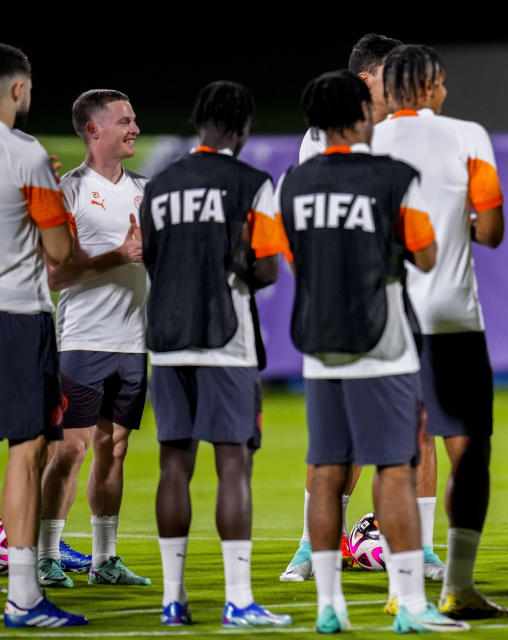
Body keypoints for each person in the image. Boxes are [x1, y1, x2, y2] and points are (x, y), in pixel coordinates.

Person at [277, 69, 468, 634]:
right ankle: (409, 604)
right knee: (394, 467)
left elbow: (289, 258)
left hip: (317, 341)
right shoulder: (393, 176)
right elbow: (427, 255)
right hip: (383, 342)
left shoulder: (291, 182)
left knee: (328, 468)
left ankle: (329, 606)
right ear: (362, 114)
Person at [373, 43, 508, 620]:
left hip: (385, 323)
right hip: (453, 317)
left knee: (394, 458)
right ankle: (457, 585)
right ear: (430, 85)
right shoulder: (466, 135)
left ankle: (400, 590)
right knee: (468, 453)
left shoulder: (367, 142)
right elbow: (492, 230)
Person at [142, 81, 291, 628]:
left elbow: (152, 259)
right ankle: (238, 598)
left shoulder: (159, 184)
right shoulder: (252, 183)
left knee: (173, 465)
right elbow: (269, 269)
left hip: (167, 338)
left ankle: (172, 600)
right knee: (234, 464)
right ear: (243, 127)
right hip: (227, 338)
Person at [37, 89, 151, 589]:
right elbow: (54, 276)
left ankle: (105, 559)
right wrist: (116, 258)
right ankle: (45, 554)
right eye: (125, 121)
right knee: (71, 449)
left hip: (135, 342)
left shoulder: (147, 190)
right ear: (93, 130)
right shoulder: (71, 191)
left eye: (135, 120)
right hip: (83, 341)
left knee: (115, 448)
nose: (135, 129)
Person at [0, 41, 87, 628]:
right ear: (17, 89)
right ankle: (25, 596)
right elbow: (59, 250)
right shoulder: (23, 153)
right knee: (27, 451)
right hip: (15, 314)